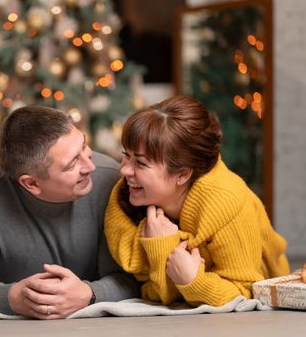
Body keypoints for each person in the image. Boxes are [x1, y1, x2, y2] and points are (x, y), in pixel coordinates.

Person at [0, 106, 139, 319]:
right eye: (71, 164)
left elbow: (133, 277)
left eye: (84, 145)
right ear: (31, 183)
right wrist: (12, 298)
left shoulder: (110, 180)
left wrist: (90, 294)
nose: (90, 165)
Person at [104, 95, 290, 307]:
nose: (124, 170)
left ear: (182, 174)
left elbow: (246, 291)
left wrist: (193, 281)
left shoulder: (226, 201)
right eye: (125, 155)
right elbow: (154, 293)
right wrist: (163, 247)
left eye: (141, 163)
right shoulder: (124, 201)